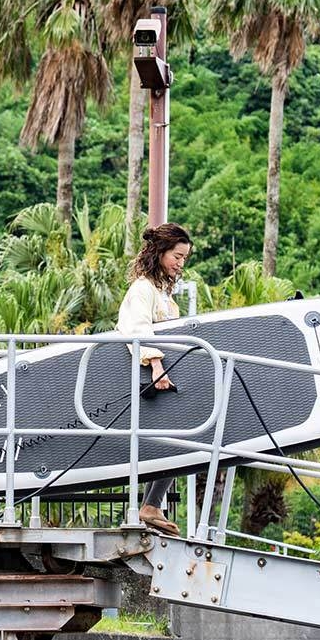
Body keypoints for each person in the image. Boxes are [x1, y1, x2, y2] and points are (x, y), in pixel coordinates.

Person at [115, 223, 193, 535]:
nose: (181, 262)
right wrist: (157, 364)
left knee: (179, 440)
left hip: (157, 377)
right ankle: (150, 505)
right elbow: (138, 329)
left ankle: (151, 505)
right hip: (147, 378)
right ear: (160, 252)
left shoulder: (162, 293)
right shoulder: (143, 289)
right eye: (177, 255)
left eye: (185, 258)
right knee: (180, 439)